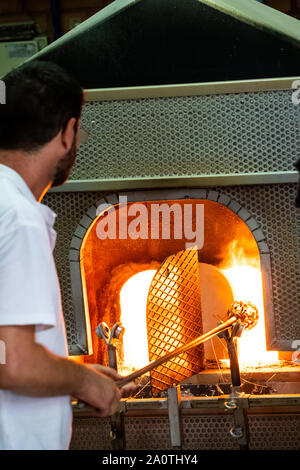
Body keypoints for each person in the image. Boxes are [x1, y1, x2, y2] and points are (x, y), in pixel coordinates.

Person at [0, 61, 136, 450]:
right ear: (68, 131)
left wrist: (64, 372)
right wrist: (83, 382)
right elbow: (13, 361)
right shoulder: (17, 217)